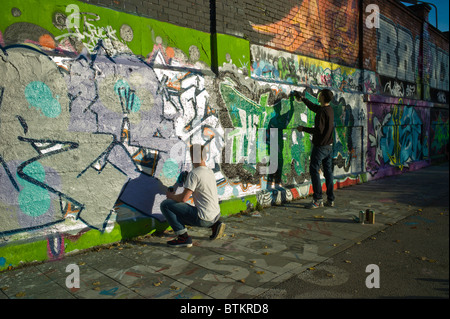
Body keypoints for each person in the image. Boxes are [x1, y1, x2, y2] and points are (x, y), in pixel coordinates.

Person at [160, 144, 225, 247]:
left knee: (166, 204)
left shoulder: (194, 174)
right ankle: (215, 225)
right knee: (185, 209)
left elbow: (183, 199)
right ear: (205, 157)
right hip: (216, 215)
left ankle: (183, 238)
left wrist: (171, 196)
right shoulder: (210, 171)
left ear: (192, 158)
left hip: (204, 219)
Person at [292, 89, 335, 209]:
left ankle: (318, 199)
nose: (318, 95)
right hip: (328, 147)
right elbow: (315, 108)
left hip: (320, 146)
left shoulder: (322, 112)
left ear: (323, 97)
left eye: (320, 94)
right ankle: (330, 199)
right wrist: (303, 99)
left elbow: (319, 130)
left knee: (314, 170)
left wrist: (303, 129)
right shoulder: (329, 109)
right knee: (328, 173)